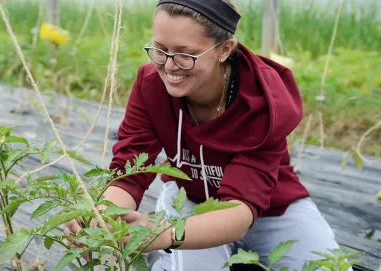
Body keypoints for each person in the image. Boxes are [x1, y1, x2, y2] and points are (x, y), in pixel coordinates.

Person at [65, 0, 346, 270]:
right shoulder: (150, 85)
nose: (170, 66)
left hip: (272, 209)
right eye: (160, 50)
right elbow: (129, 173)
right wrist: (101, 216)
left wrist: (163, 233)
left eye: (185, 54)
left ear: (225, 49)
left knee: (324, 266)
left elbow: (239, 210)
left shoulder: (263, 100)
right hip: (189, 200)